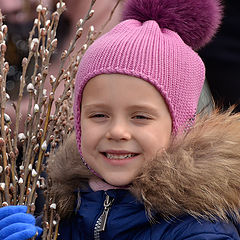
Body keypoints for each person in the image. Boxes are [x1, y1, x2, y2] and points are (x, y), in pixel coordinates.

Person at [1, 0, 240, 239]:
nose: (116, 131)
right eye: (99, 115)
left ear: (181, 125)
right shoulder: (69, 212)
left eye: (140, 116)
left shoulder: (199, 229)